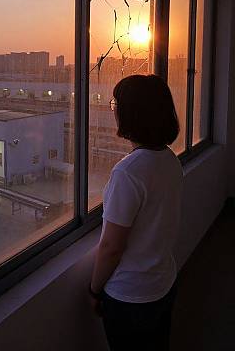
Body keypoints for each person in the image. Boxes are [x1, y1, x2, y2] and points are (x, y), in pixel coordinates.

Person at [89, 74, 183, 351]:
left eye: (115, 103)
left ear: (131, 114)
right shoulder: (169, 160)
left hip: (130, 296)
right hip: (164, 282)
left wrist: (94, 290)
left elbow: (111, 247)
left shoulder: (128, 172)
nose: (113, 108)